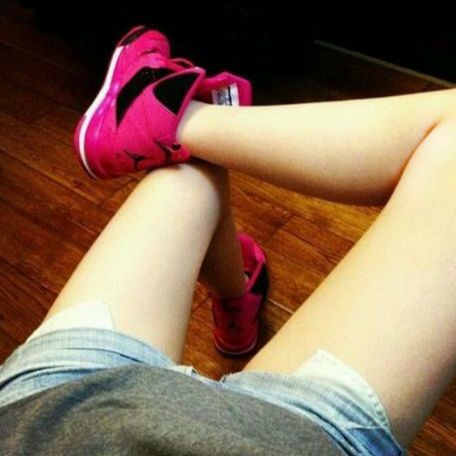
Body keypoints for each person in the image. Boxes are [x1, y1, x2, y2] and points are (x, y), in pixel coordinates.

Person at [1, 25, 456, 455]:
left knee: (190, 165)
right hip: (276, 436)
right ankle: (175, 121)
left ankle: (167, 123)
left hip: (53, 415)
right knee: (193, 160)